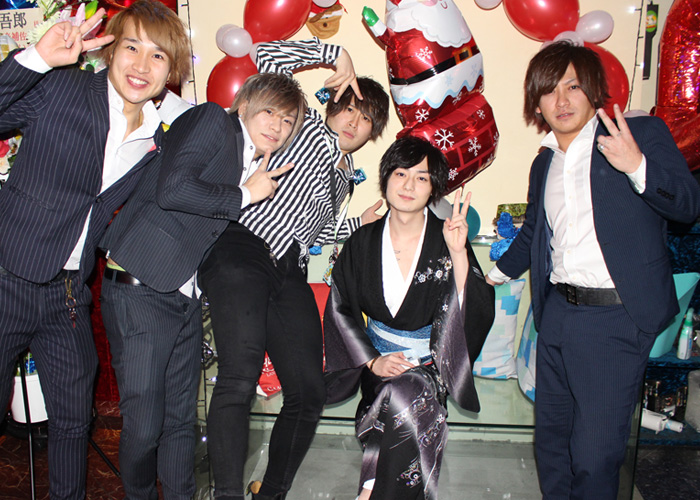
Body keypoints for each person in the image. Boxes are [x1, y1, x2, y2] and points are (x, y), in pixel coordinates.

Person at [485, 41, 700, 499]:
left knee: (594, 456)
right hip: (557, 314)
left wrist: (637, 166)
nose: (561, 100)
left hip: (615, 319)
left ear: (594, 91)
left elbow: (687, 205)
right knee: (553, 447)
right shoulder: (544, 162)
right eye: (549, 90)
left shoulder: (637, 134)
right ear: (536, 103)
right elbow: (534, 232)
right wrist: (491, 276)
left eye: (573, 86)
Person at [0, 1, 191, 498]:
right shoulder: (62, 87)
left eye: (158, 56)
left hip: (67, 294)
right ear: (110, 50)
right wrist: (36, 59)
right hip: (6, 275)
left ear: (170, 71)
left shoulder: (156, 140)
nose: (142, 65)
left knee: (72, 421)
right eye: (132, 47)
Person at [197, 38, 390, 500]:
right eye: (350, 109)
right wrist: (335, 54)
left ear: (371, 134)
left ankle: (270, 494)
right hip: (244, 246)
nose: (354, 122)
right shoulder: (302, 126)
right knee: (239, 377)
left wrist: (357, 225)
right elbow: (268, 55)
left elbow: (318, 232)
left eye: (366, 120)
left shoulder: (344, 175)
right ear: (333, 106)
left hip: (289, 268)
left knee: (309, 393)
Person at [99, 72, 304, 500]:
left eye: (288, 121)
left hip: (183, 295)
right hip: (141, 285)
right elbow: (173, 190)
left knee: (180, 424)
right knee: (145, 425)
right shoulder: (213, 120)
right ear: (244, 104)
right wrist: (245, 195)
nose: (277, 126)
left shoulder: (249, 161)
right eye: (269, 111)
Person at [322, 136, 495, 500]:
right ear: (386, 179)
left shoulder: (446, 239)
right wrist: (373, 360)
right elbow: (340, 307)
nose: (408, 185)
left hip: (429, 366)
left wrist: (459, 254)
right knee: (397, 416)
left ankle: (369, 491)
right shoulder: (362, 242)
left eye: (422, 177)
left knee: (404, 395)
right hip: (378, 365)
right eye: (400, 173)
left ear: (433, 189)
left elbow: (475, 307)